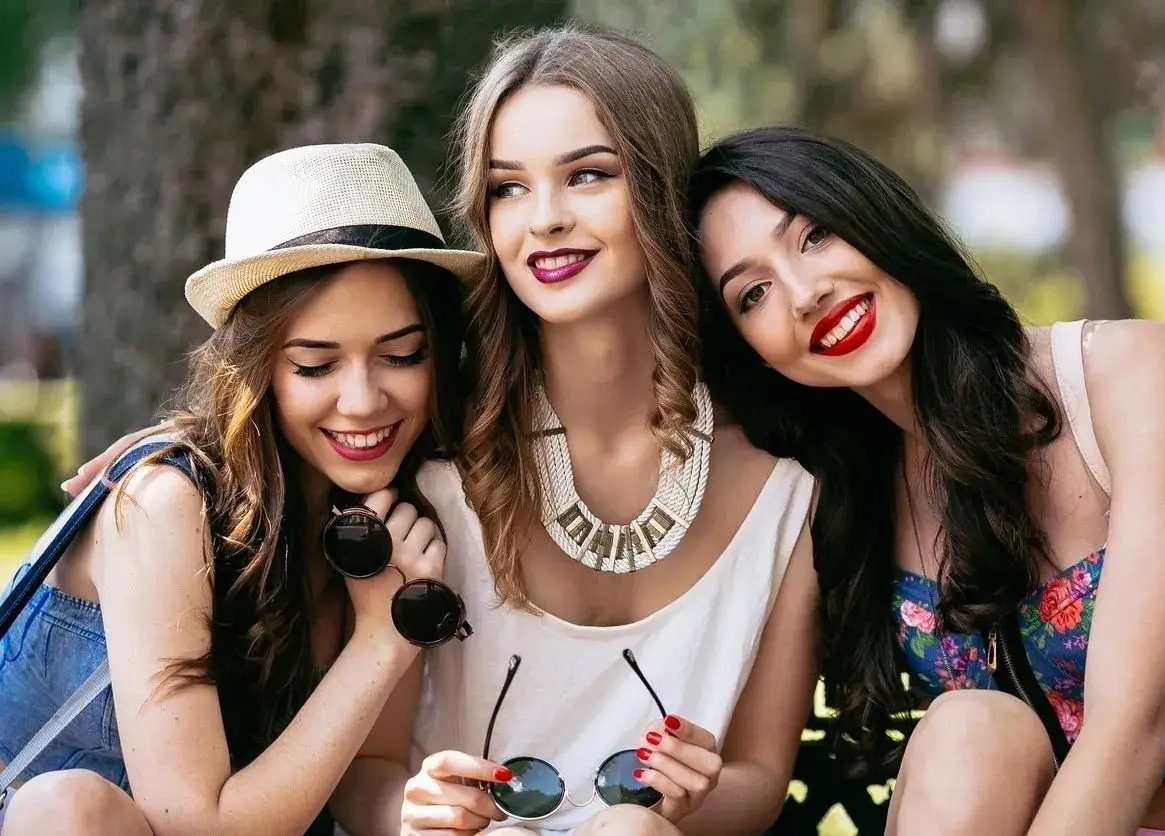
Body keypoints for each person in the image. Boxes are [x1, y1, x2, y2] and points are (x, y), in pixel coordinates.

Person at [66, 29, 818, 836]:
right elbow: (360, 778)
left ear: (665, 190)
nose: (546, 220)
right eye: (507, 188)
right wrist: (176, 461)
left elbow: (758, 778)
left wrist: (690, 798)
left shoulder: (786, 486)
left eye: (589, 174)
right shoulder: (419, 464)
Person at [688, 125, 1165, 835]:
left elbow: (1130, 732)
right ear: (755, 356)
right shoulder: (837, 501)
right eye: (754, 294)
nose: (804, 293)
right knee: (969, 732)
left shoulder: (1129, 374)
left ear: (878, 216)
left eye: (815, 235)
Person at [0, 143, 482, 836]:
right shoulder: (166, 505)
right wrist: (381, 641)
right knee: (68, 809)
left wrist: (425, 812)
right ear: (259, 370)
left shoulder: (385, 518)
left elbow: (362, 776)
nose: (363, 400)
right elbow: (202, 824)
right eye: (315, 366)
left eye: (402, 355)